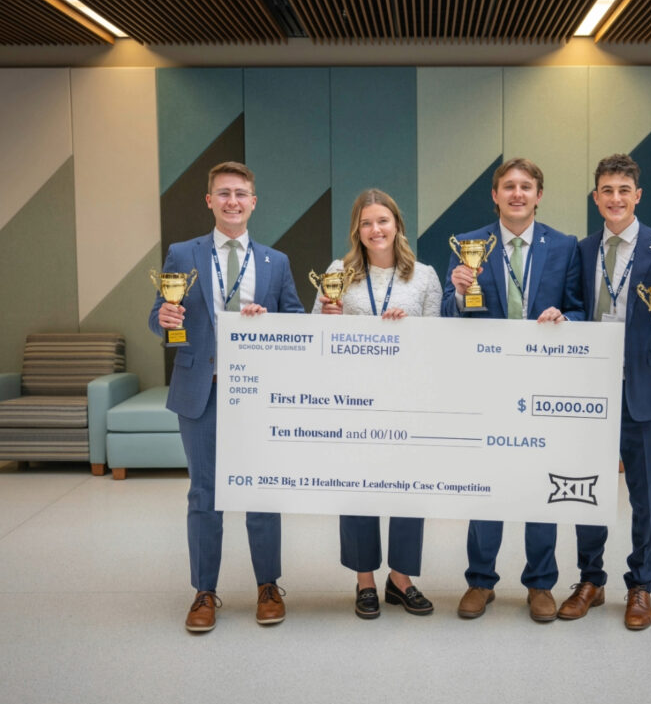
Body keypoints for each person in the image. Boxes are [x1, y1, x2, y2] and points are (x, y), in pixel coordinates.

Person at [149, 160, 305, 633]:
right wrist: (165, 321)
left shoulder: (276, 261)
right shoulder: (182, 253)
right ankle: (204, 591)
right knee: (204, 494)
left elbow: (296, 320)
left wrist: (271, 321)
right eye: (223, 193)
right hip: (202, 390)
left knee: (262, 493)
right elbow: (158, 313)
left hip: (259, 396)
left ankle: (268, 586)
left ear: (253, 202)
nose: (232, 201)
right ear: (209, 201)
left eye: (241, 193)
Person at [442, 157, 584, 622]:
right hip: (486, 386)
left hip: (545, 387)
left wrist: (565, 318)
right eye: (509, 186)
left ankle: (540, 583)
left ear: (539, 195)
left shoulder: (564, 246)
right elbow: (447, 315)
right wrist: (461, 292)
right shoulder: (467, 244)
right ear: (495, 194)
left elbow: (581, 311)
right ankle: (480, 581)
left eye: (526, 186)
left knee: (539, 484)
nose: (517, 194)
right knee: (487, 485)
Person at [562, 153, 651, 630]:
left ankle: (641, 586)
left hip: (646, 391)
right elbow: (575, 306)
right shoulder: (581, 249)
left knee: (646, 496)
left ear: (637, 196)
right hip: (590, 392)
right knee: (586, 492)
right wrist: (563, 317)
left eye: (623, 190)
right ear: (596, 198)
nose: (615, 198)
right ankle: (590, 580)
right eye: (606, 190)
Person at [313, 188, 441, 619]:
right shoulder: (339, 271)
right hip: (352, 397)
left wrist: (408, 331)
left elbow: (437, 343)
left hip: (407, 398)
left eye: (382, 221)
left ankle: (401, 579)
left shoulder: (423, 276)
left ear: (397, 225)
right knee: (357, 489)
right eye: (366, 223)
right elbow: (313, 334)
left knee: (409, 489)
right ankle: (364, 579)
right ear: (357, 230)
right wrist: (326, 320)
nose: (375, 229)